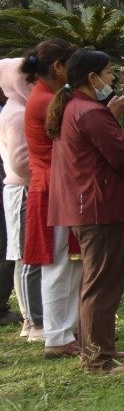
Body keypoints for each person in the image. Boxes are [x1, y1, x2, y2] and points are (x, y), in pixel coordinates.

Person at [46, 50, 124, 374]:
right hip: (99, 207)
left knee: (97, 281)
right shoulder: (89, 113)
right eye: (109, 72)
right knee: (102, 284)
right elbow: (122, 157)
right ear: (91, 77)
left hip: (91, 206)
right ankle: (99, 359)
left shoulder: (79, 108)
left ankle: (97, 347)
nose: (112, 79)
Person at [22, 40, 79, 358]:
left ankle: (64, 332)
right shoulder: (48, 99)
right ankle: (57, 337)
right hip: (50, 191)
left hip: (56, 188)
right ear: (59, 66)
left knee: (69, 265)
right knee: (58, 266)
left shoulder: (46, 95)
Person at [0, 57, 38, 338]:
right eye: (26, 81)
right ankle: (30, 319)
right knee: (23, 254)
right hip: (22, 187)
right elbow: (19, 162)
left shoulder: (24, 109)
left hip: (28, 187)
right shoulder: (15, 114)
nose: (32, 86)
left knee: (28, 252)